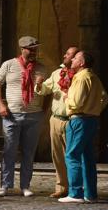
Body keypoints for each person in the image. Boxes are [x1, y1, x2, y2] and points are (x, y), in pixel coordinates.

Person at [0, 36, 47, 197]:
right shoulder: (9, 65)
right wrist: (1, 105)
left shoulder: (42, 68)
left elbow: (48, 91)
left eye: (35, 49)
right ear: (22, 49)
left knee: (29, 152)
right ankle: (5, 185)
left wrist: (44, 107)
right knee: (9, 150)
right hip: (12, 115)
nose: (33, 52)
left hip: (33, 115)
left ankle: (25, 186)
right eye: (30, 49)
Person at [58, 51, 107, 204]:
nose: (72, 59)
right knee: (87, 158)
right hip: (91, 120)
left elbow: (76, 102)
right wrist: (95, 108)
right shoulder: (94, 77)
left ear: (82, 63)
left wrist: (66, 98)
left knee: (72, 155)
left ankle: (75, 193)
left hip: (79, 119)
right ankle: (90, 194)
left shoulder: (81, 78)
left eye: (75, 58)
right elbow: (104, 97)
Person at [34, 46, 78, 198]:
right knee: (57, 155)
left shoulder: (81, 76)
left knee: (72, 156)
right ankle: (61, 187)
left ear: (75, 59)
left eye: (68, 54)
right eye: (65, 53)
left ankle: (75, 188)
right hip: (56, 119)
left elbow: (102, 97)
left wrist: (90, 111)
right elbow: (46, 89)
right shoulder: (57, 74)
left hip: (72, 120)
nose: (64, 55)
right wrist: (39, 84)